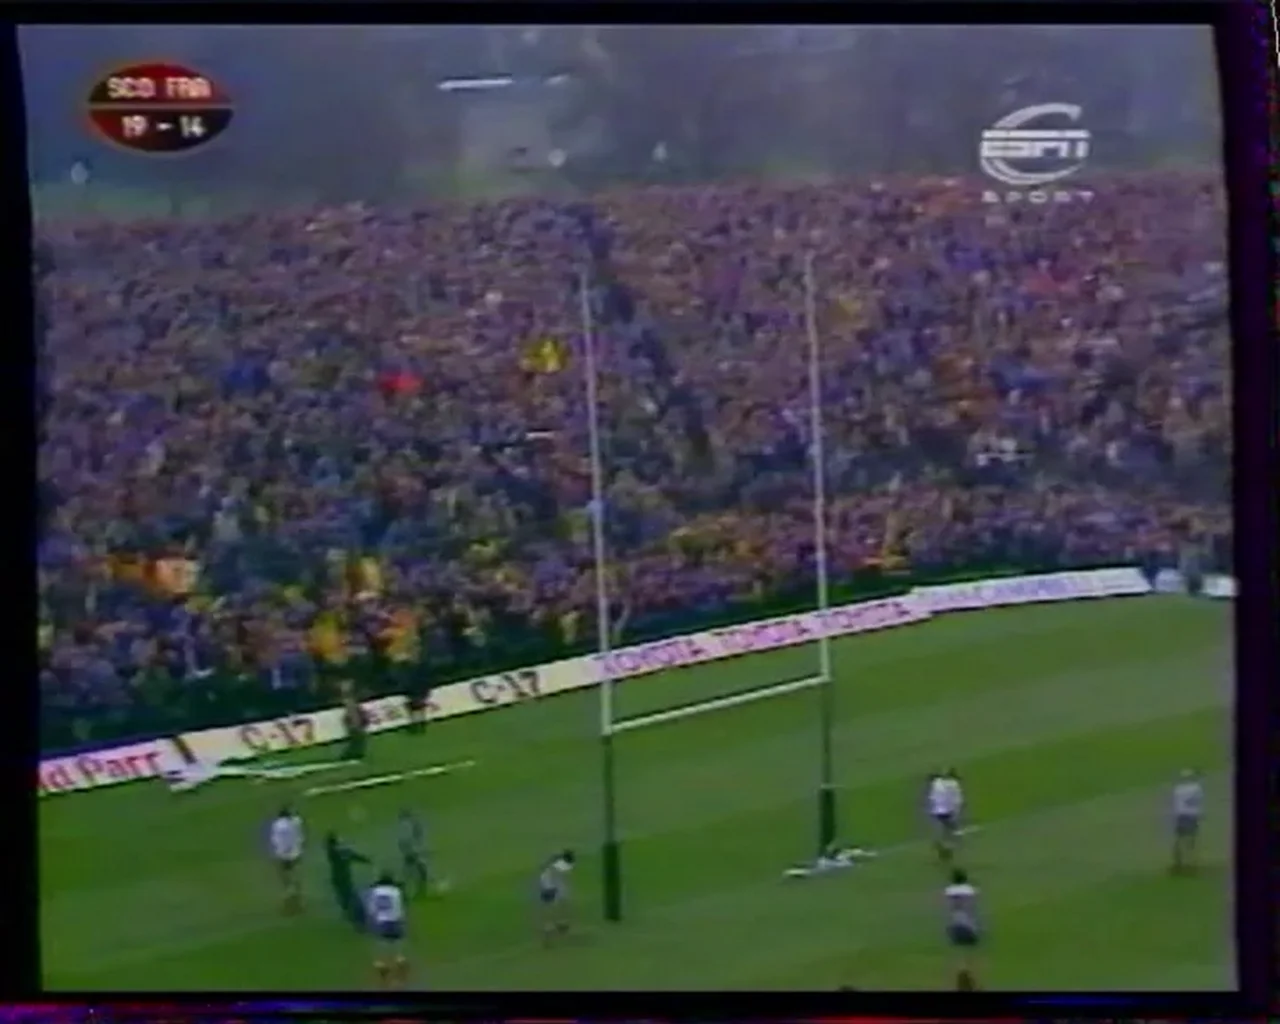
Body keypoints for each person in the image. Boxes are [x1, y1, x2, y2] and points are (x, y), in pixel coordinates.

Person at [367, 870, 409, 988]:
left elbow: (372, 908)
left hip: (381, 920)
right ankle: (399, 959)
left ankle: (382, 964)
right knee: (397, 941)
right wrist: (402, 918)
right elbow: (399, 906)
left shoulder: (375, 892)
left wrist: (373, 918)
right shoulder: (396, 891)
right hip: (394, 919)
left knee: (381, 942)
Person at [325, 830, 370, 932]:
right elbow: (355, 856)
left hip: (338, 879)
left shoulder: (334, 853)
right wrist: (366, 860)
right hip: (344, 878)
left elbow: (354, 856)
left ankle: (350, 915)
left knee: (345, 898)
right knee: (348, 897)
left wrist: (365, 860)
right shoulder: (341, 852)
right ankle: (354, 917)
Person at [268, 804, 305, 913]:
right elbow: (299, 831)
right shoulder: (295, 822)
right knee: (296, 874)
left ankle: (288, 894)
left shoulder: (277, 825)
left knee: (286, 876)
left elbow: (274, 839)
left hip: (282, 854)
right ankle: (299, 898)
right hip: (295, 853)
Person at [536, 849, 575, 945]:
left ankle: (556, 925)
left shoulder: (556, 861)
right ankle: (555, 926)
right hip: (551, 886)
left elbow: (546, 865)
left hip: (546, 884)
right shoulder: (564, 866)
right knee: (556, 906)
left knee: (551, 907)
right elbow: (558, 875)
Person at [1170, 768, 1204, 874]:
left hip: (1181, 815)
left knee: (1179, 839)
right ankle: (1189, 863)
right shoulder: (1197, 788)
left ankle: (1178, 863)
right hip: (1192, 816)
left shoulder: (1178, 790)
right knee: (1191, 840)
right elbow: (1198, 799)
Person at [397, 808, 430, 897]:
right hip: (411, 853)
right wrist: (413, 852)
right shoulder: (406, 826)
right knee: (416, 873)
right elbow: (405, 841)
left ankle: (417, 892)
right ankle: (412, 892)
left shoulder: (407, 825)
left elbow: (404, 842)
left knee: (414, 873)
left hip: (411, 852)